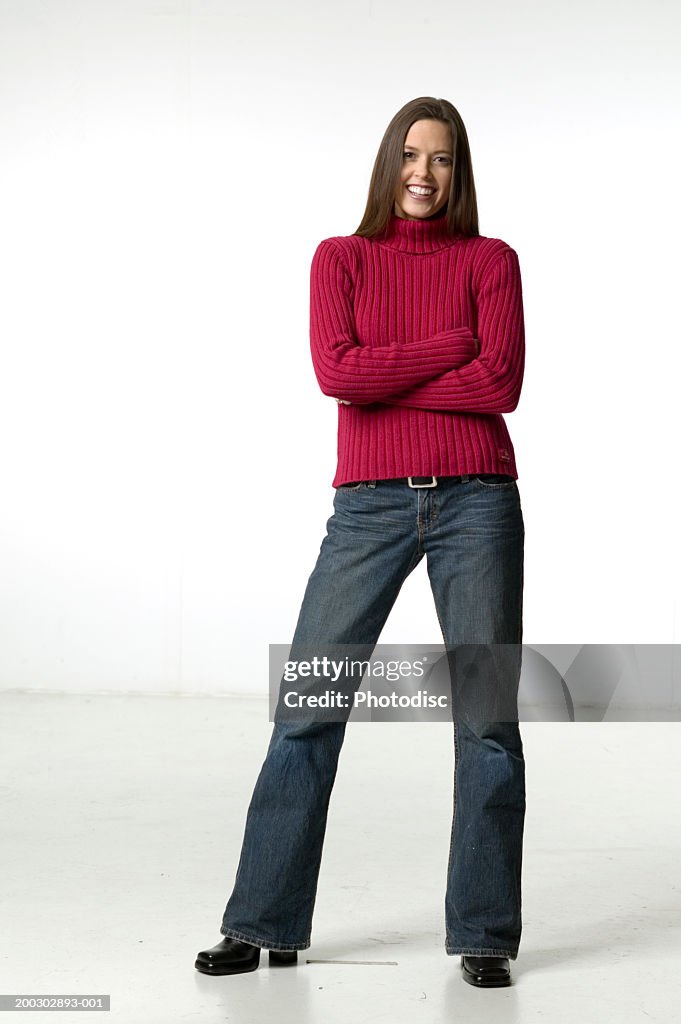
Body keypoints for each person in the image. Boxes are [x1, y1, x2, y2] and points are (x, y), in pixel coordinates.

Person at [195, 95, 526, 989]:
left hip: (476, 501)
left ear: (459, 173)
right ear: (388, 163)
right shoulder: (339, 258)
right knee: (308, 703)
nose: (425, 174)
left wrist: (391, 377)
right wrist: (447, 344)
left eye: (444, 160)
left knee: (486, 721)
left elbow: (500, 384)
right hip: (368, 507)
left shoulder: (490, 260)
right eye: (412, 156)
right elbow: (334, 371)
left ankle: (484, 931)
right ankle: (264, 921)